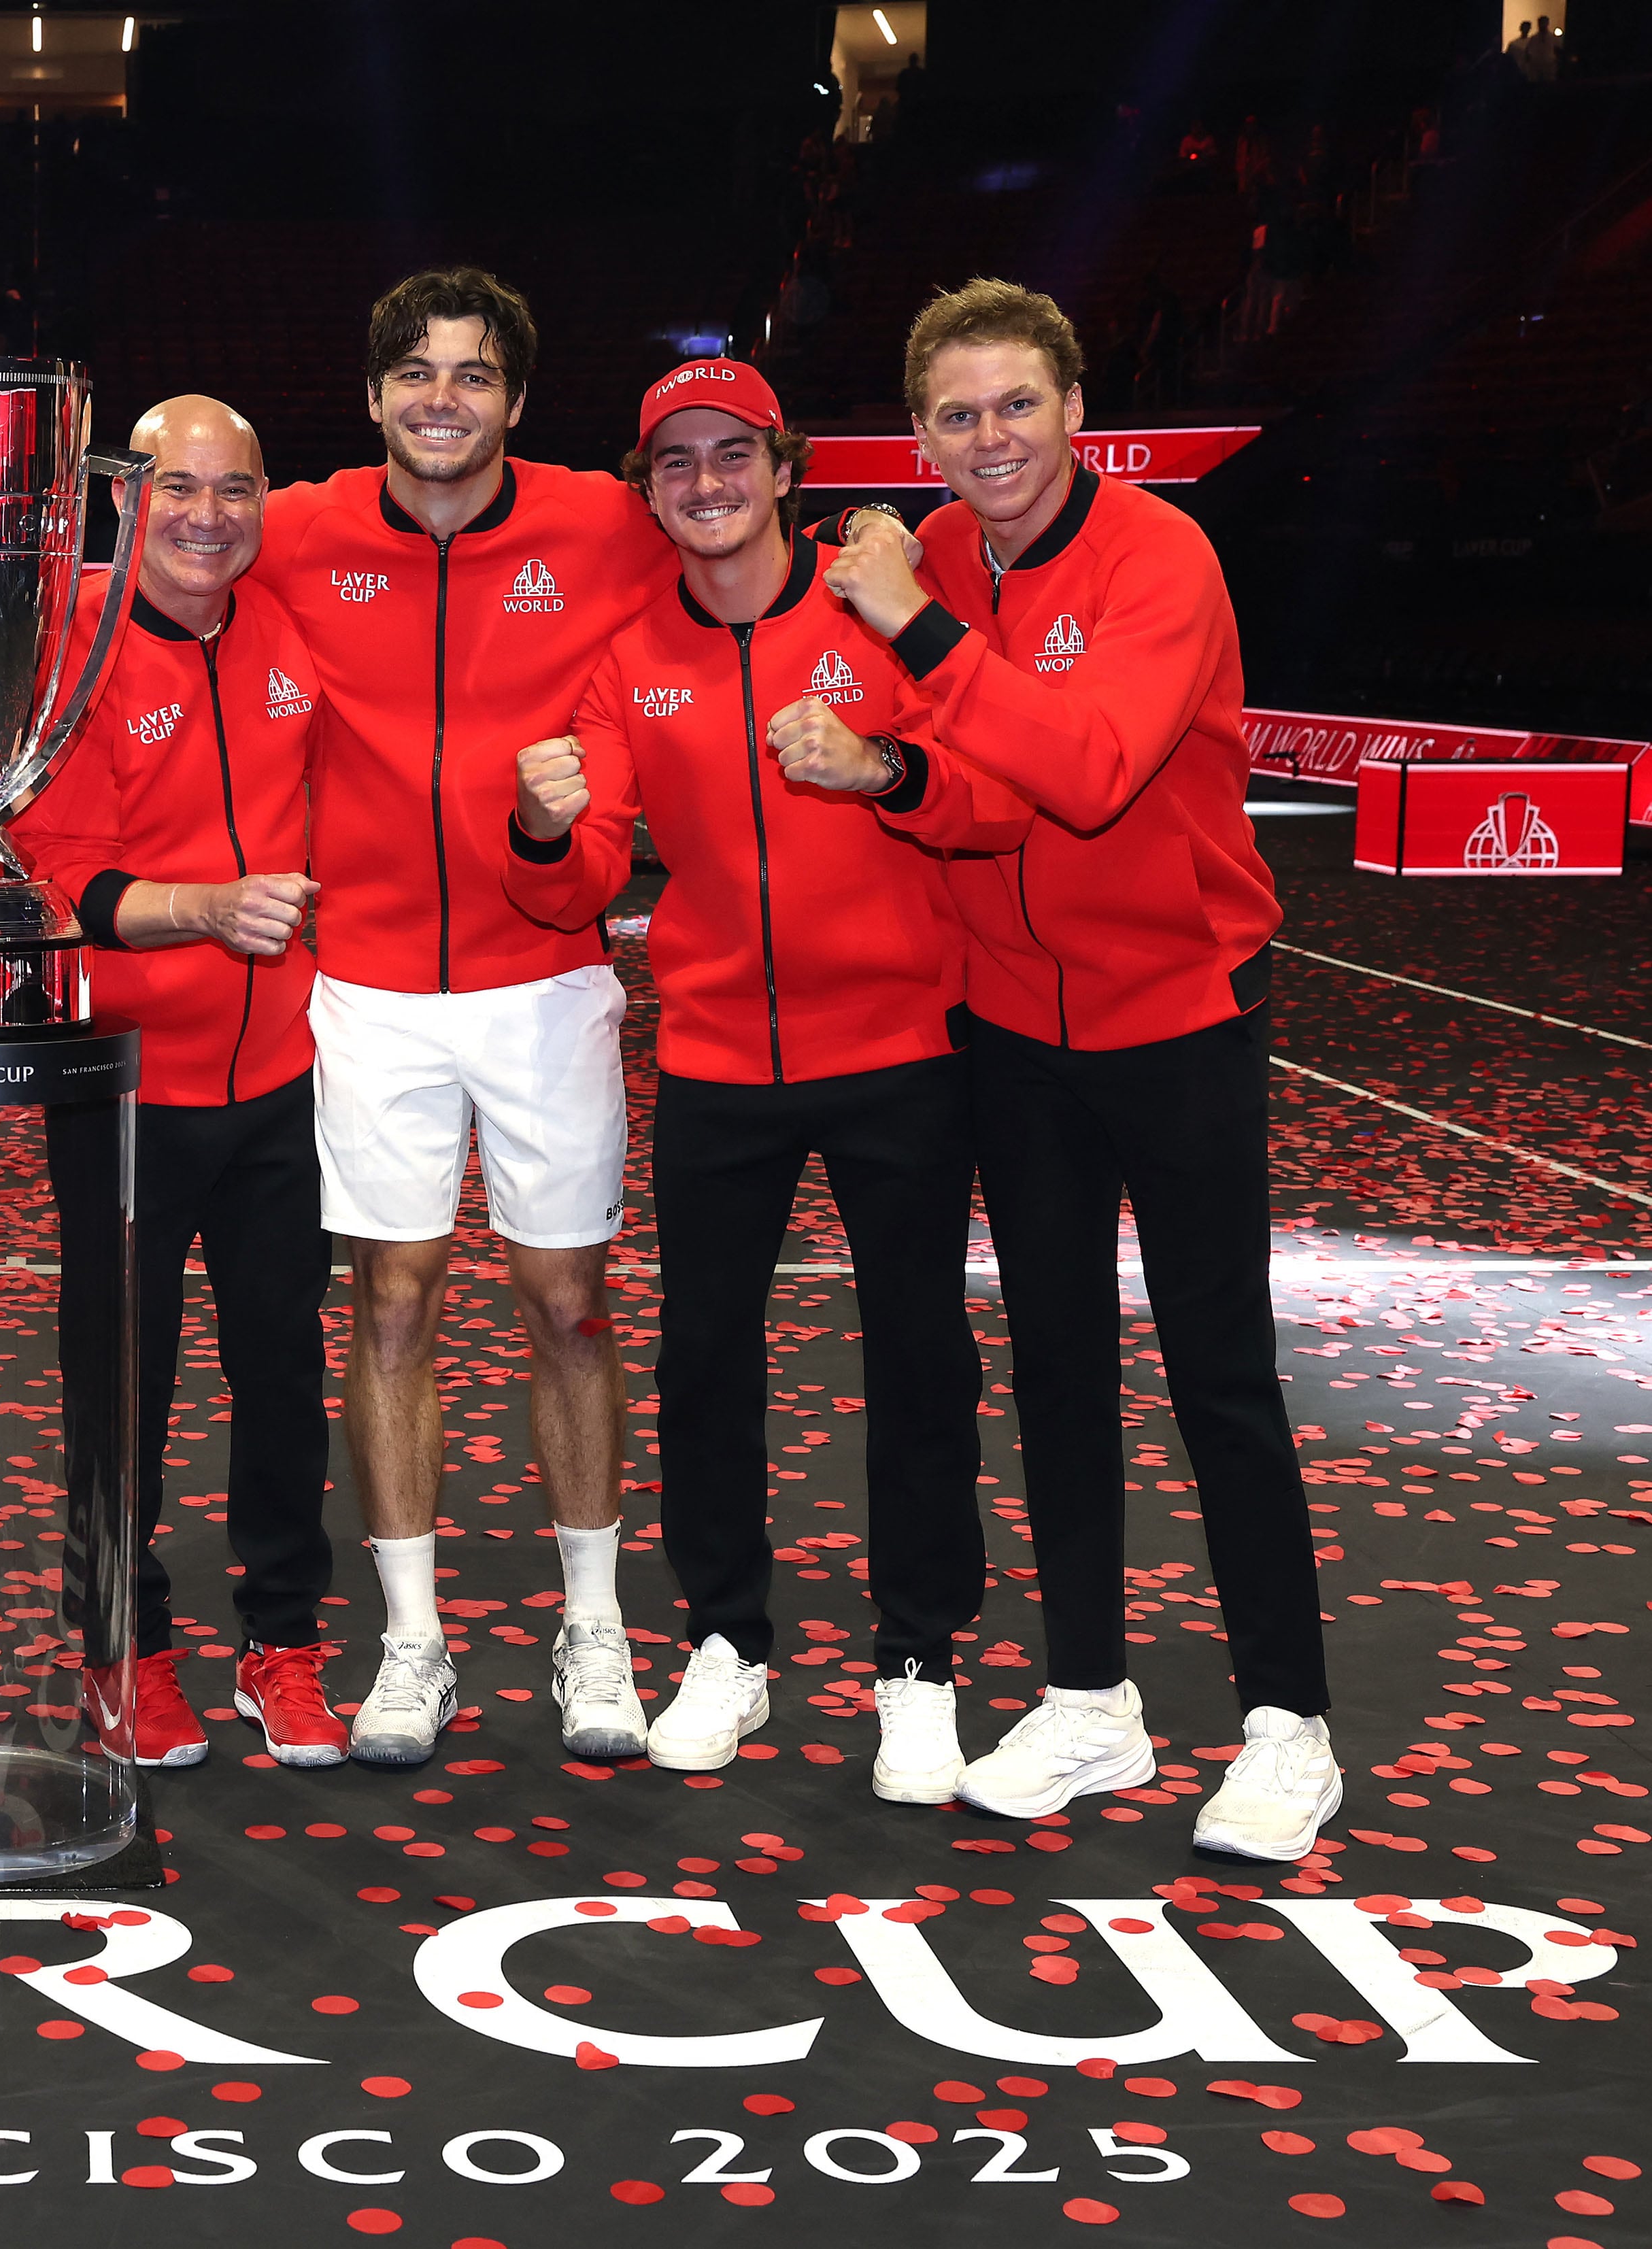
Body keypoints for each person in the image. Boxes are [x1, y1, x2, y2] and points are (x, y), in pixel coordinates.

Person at [822, 278, 1341, 1860]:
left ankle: (1286, 1720)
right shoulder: (956, 565)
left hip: (1174, 1004)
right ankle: (1089, 1697)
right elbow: (987, 798)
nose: (989, 439)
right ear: (922, 433)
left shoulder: (1153, 555)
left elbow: (1093, 768)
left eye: (1015, 406)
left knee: (1215, 1372)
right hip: (1010, 1023)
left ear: (1072, 409)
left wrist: (908, 624)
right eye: (957, 416)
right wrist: (893, 770)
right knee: (1049, 1362)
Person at [504, 359, 1028, 1802]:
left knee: (921, 1358)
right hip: (720, 1057)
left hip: (900, 1051)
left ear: (783, 469)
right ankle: (726, 1641)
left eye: (730, 453)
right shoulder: (621, 660)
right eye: (672, 462)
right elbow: (580, 879)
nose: (704, 482)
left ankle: (916, 1662)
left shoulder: (882, 608)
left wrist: (882, 774)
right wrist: (540, 833)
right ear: (648, 491)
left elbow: (992, 804)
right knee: (704, 1362)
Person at [250, 267, 678, 1768]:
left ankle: (593, 1631)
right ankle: (412, 1644)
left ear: (513, 398)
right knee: (392, 1301)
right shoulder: (290, 531)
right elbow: (142, 574)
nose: (443, 398)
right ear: (370, 396)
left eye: (473, 374)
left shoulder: (602, 525)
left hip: (544, 978)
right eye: (415, 374)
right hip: (363, 985)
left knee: (565, 1303)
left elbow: (735, 552)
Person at [22, 396, 341, 1769]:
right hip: (128, 1089)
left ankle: (282, 1644)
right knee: (120, 1389)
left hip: (282, 1080)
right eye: (175, 489)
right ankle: (122, 1647)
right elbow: (62, 886)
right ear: (120, 502)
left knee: (281, 1374)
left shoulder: (291, 626)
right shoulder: (71, 654)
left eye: (234, 487)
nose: (207, 516)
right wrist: (205, 911)